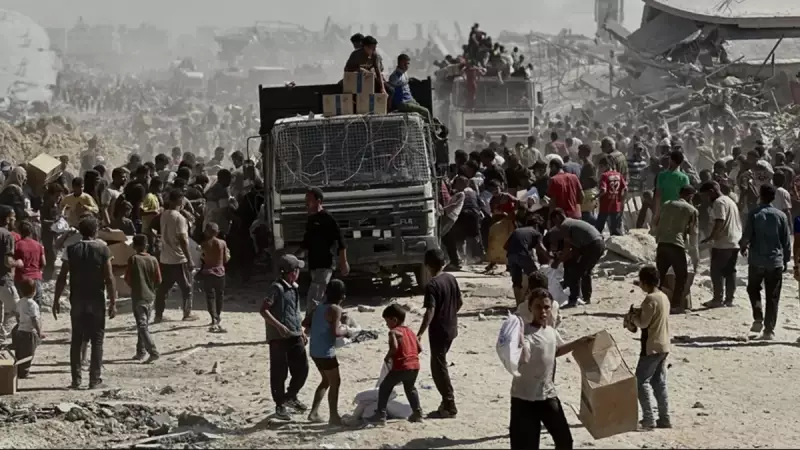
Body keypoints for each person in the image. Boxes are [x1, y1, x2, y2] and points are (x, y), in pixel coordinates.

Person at [510, 288, 590, 450]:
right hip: (524, 399)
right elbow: (524, 357)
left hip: (547, 395)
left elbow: (556, 350)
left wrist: (579, 342)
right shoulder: (525, 333)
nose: (543, 311)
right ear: (530, 308)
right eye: (538, 307)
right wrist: (520, 339)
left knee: (565, 441)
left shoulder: (551, 332)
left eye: (546, 307)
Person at [53, 216, 116, 389]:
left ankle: (76, 380)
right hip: (96, 298)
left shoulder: (71, 249)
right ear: (95, 231)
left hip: (77, 299)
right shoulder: (103, 249)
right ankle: (94, 380)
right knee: (97, 339)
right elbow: (109, 278)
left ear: (80, 232)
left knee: (76, 339)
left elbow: (62, 277)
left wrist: (56, 300)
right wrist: (112, 302)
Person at [260, 254, 309, 421]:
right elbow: (264, 310)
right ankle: (280, 404)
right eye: (297, 269)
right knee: (279, 372)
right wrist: (279, 326)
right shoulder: (276, 288)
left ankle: (291, 396)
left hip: (295, 334)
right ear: (292, 272)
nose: (298, 272)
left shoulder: (293, 288)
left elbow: (294, 311)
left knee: (302, 368)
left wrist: (301, 330)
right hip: (278, 338)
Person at [740, 184, 791, 340]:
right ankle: (769, 331)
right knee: (772, 296)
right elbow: (786, 241)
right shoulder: (781, 216)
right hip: (775, 261)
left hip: (757, 260)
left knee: (753, 288)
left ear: (760, 196)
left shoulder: (754, 214)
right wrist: (786, 260)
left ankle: (758, 316)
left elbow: (746, 236)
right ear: (774, 198)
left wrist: (743, 247)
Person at [416, 249, 462, 418]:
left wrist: (420, 333)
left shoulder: (432, 285)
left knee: (438, 368)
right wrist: (450, 315)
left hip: (439, 331)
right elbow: (459, 302)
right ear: (444, 263)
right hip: (451, 328)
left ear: (427, 265)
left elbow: (430, 311)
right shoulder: (451, 278)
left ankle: (449, 404)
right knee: (440, 364)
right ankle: (446, 403)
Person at [628, 266, 671, 430]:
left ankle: (648, 419)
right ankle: (664, 418)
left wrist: (633, 317)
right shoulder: (663, 296)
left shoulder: (650, 299)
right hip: (664, 345)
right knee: (658, 382)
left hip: (651, 346)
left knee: (640, 382)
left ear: (645, 283)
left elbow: (643, 324)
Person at [368, 303, 424, 424]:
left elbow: (394, 348)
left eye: (387, 322)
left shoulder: (393, 332)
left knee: (385, 387)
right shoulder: (410, 331)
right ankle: (417, 413)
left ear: (394, 320)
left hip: (401, 366)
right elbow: (419, 348)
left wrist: (387, 357)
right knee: (410, 388)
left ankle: (380, 415)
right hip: (415, 366)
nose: (386, 325)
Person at [304, 279, 348, 425]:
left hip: (314, 350)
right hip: (326, 352)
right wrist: (347, 331)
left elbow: (305, 323)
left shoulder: (319, 307)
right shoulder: (335, 309)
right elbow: (336, 332)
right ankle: (334, 416)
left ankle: (313, 413)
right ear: (342, 296)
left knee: (326, 381)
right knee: (335, 382)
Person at [298, 188, 349, 309]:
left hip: (325, 264)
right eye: (306, 200)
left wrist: (344, 262)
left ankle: (311, 320)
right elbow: (306, 244)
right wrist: (294, 257)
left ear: (318, 201)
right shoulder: (310, 220)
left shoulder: (327, 218)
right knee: (322, 297)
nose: (306, 203)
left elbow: (341, 241)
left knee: (314, 297)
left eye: (309, 200)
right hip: (314, 264)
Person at [653, 185, 699, 313]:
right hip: (676, 245)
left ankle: (656, 304)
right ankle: (675, 305)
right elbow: (694, 233)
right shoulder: (692, 210)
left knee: (660, 276)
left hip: (662, 243)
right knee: (681, 276)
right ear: (691, 196)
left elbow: (655, 222)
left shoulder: (666, 204)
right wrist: (695, 254)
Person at [550, 208, 605, 308]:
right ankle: (586, 297)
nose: (556, 226)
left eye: (554, 222)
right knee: (584, 271)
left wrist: (557, 262)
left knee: (576, 271)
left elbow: (567, 249)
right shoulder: (572, 222)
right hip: (599, 243)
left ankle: (573, 299)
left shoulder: (564, 225)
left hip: (592, 245)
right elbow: (575, 250)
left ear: (557, 217)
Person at [699, 181, 742, 308]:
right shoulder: (730, 201)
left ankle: (717, 299)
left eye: (705, 196)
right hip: (734, 241)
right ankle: (729, 299)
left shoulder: (719, 202)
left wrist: (711, 238)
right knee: (730, 272)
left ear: (711, 192)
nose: (705, 199)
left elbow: (720, 221)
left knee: (716, 272)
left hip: (723, 243)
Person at [154, 190, 195, 323]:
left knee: (163, 288)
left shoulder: (164, 214)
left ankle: (158, 315)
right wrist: (189, 259)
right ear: (179, 201)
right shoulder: (179, 218)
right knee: (187, 287)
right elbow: (182, 239)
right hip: (178, 258)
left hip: (165, 257)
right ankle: (187, 313)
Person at [125, 234, 161, 363]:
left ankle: (153, 351)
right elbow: (158, 279)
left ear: (134, 246)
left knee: (141, 325)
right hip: (150, 296)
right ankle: (140, 351)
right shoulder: (153, 259)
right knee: (143, 325)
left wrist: (136, 286)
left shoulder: (133, 259)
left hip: (139, 296)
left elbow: (128, 278)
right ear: (147, 245)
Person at [505, 217, 546, 306]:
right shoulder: (536, 232)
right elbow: (540, 247)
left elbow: (505, 246)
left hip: (510, 256)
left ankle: (518, 305)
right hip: (522, 255)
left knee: (516, 282)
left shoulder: (517, 231)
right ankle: (535, 302)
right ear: (536, 225)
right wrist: (551, 256)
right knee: (536, 278)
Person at [201, 222, 230, 332]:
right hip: (220, 272)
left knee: (210, 296)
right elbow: (225, 259)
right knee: (219, 295)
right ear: (217, 232)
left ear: (207, 232)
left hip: (207, 272)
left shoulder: (204, 244)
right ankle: (218, 315)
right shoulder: (222, 243)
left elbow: (202, 258)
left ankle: (213, 317)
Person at [12, 278, 41, 379]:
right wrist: (39, 331)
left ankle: (18, 370)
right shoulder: (32, 304)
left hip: (20, 330)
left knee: (20, 351)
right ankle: (24, 372)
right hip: (29, 332)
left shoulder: (20, 302)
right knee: (29, 352)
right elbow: (34, 319)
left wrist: (19, 323)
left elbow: (17, 315)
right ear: (34, 291)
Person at [0, 206, 21, 346]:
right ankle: (3, 338)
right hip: (4, 281)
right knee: (19, 310)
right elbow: (7, 262)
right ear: (7, 219)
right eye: (13, 217)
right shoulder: (7, 235)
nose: (15, 220)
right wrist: (18, 263)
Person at [388, 54, 431, 121]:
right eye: (404, 64)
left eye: (408, 64)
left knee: (421, 111)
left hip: (410, 99)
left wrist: (413, 79)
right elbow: (391, 91)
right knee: (425, 111)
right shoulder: (394, 76)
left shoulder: (404, 72)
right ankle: (431, 126)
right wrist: (389, 107)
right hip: (403, 103)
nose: (406, 66)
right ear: (399, 63)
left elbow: (405, 81)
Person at [14, 220, 44, 306]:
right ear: (31, 231)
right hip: (36, 278)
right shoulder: (38, 245)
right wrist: (38, 271)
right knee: (36, 305)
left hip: (21, 279)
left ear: (19, 231)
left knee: (22, 306)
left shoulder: (16, 245)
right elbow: (43, 263)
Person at [654, 151, 691, 220]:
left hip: (664, 211)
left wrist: (657, 213)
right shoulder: (684, 178)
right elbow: (687, 197)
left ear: (670, 160)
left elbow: (658, 195)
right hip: (679, 211)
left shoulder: (662, 175)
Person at [595, 156, 627, 236]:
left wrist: (596, 197)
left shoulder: (604, 176)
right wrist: (621, 199)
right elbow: (625, 188)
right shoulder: (619, 175)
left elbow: (603, 190)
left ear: (607, 165)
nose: (600, 169)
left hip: (605, 206)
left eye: (601, 167)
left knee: (598, 228)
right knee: (615, 229)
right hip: (615, 205)